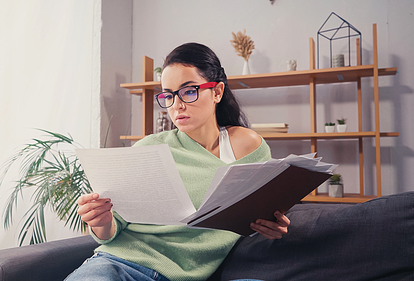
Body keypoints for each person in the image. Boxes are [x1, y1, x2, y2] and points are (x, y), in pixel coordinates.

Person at [66, 42, 290, 281]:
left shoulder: (249, 147)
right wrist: (100, 221)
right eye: (169, 95)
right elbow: (111, 230)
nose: (177, 105)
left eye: (189, 90)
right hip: (119, 266)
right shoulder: (149, 148)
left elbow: (255, 218)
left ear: (217, 91)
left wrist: (272, 226)